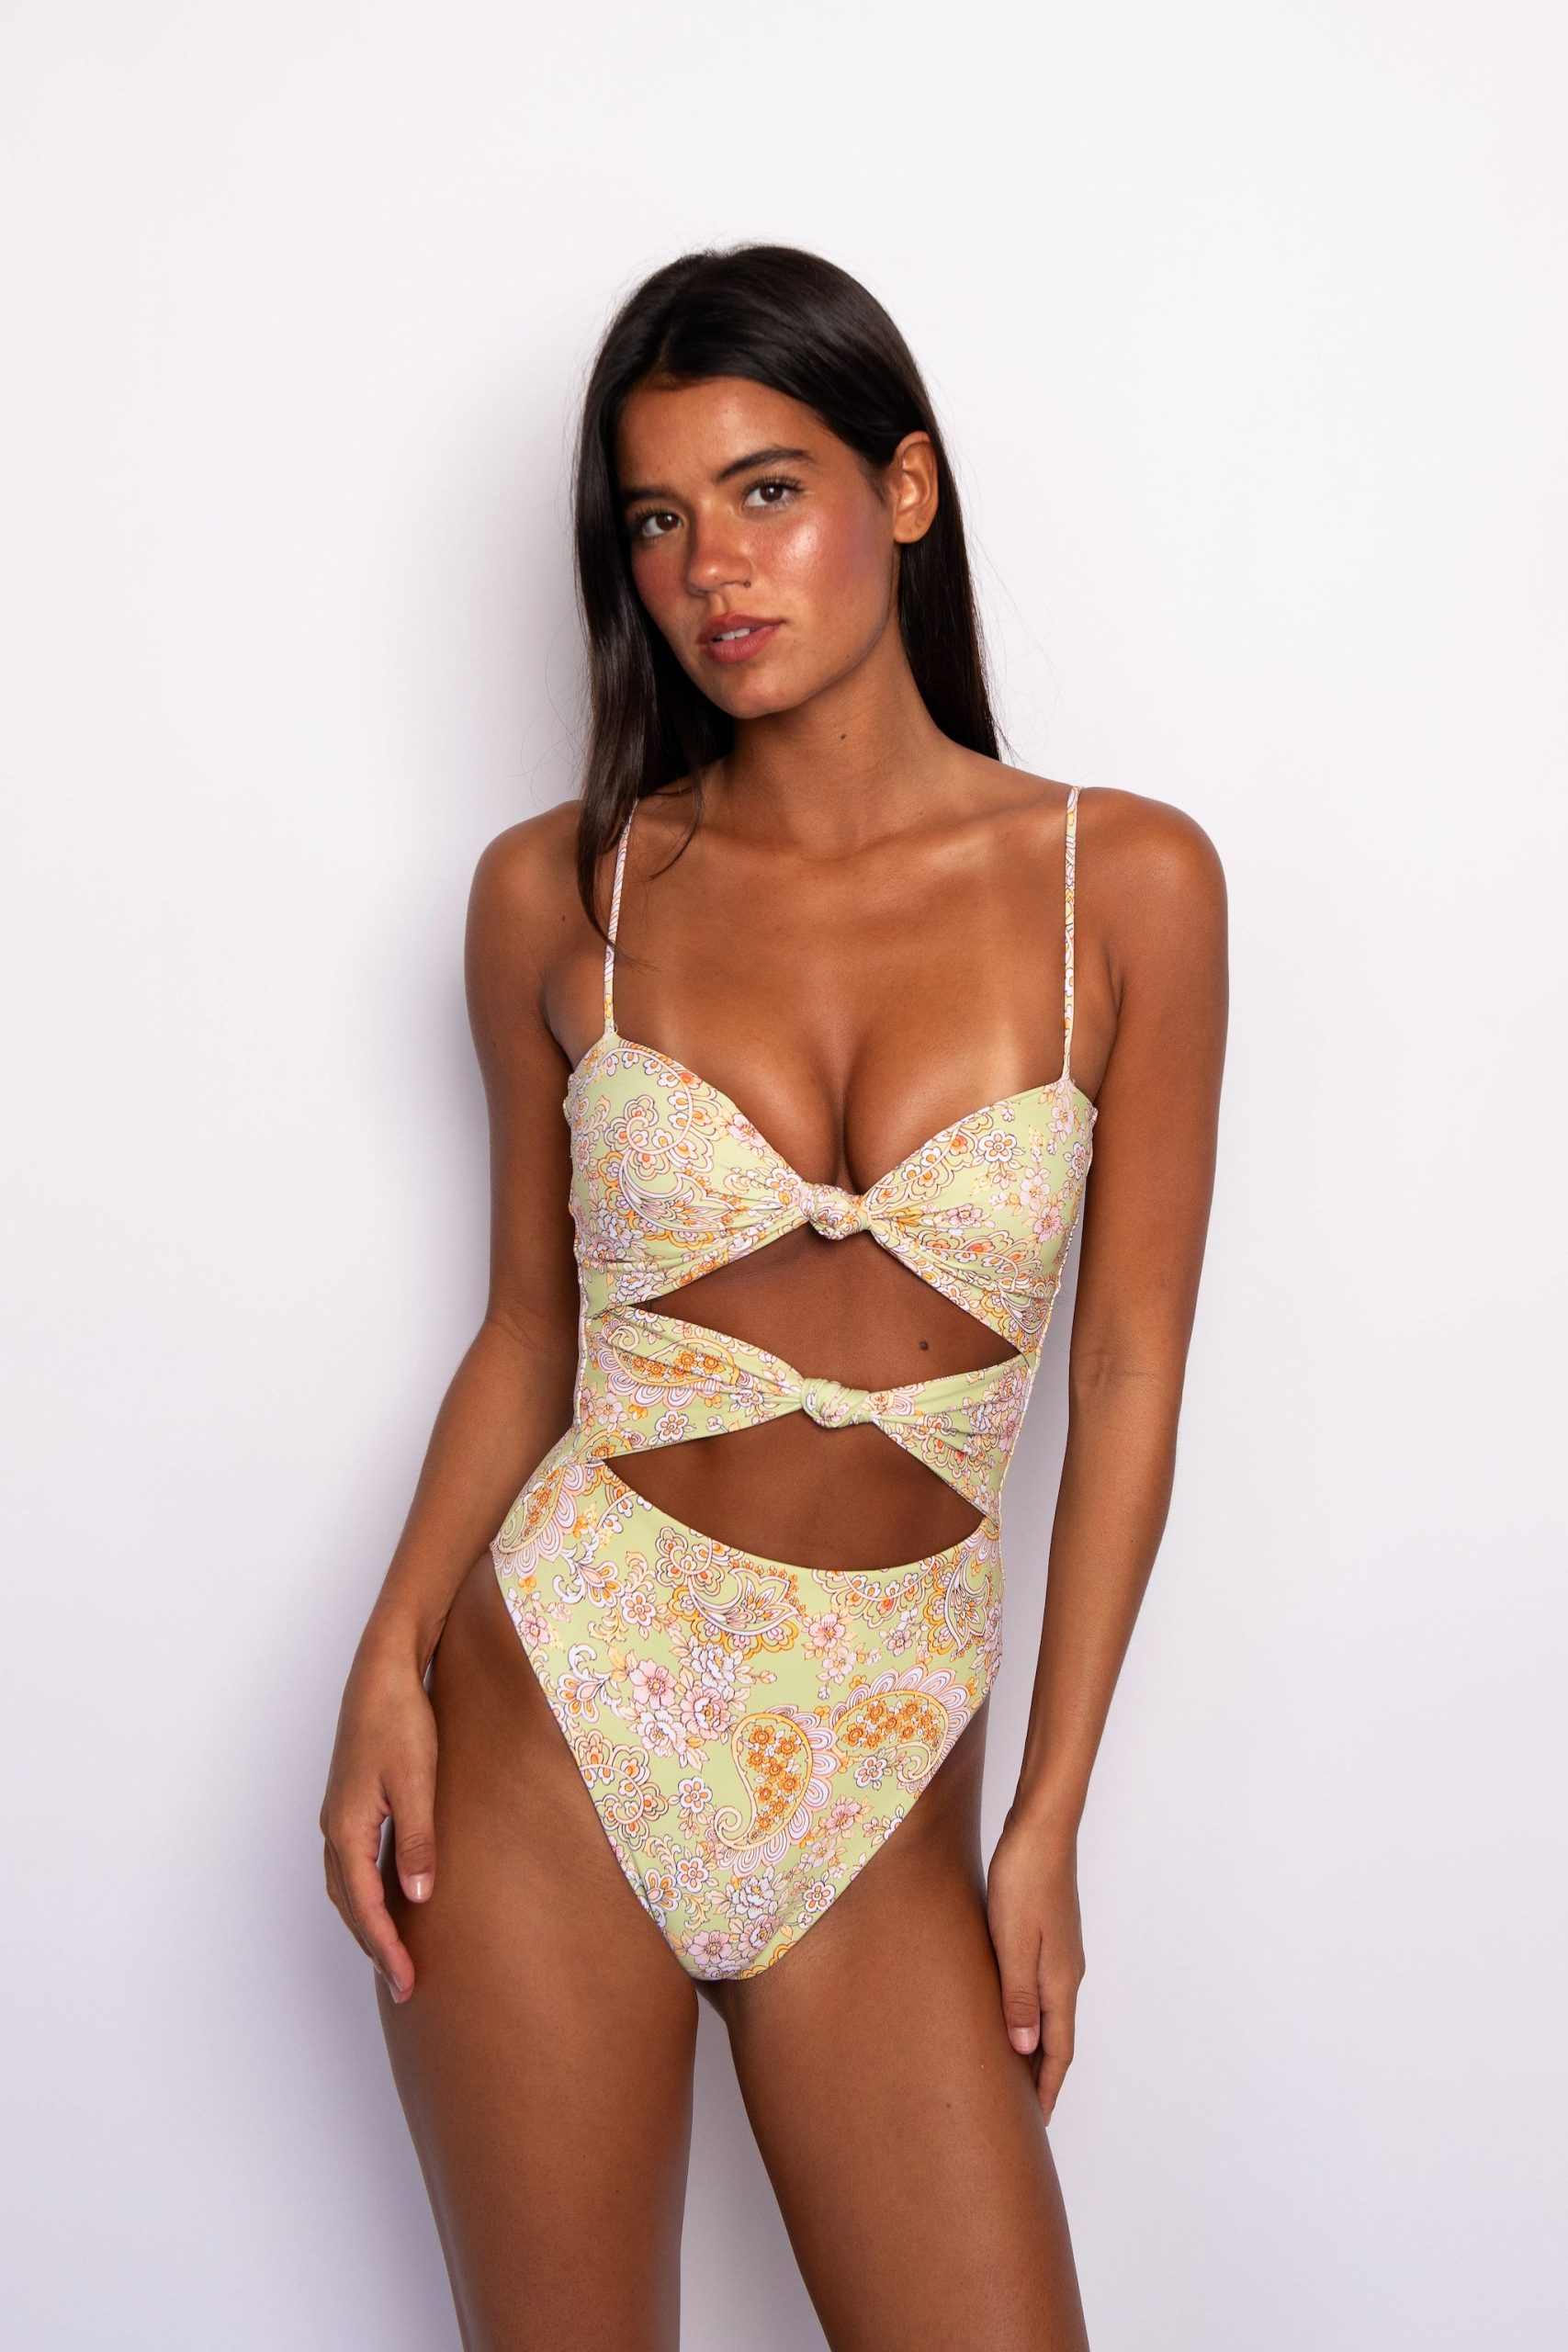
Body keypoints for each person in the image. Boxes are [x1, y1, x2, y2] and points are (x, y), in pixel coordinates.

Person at [321, 242, 1226, 2352]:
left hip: (880, 1750)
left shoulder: (1123, 885)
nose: (710, 566)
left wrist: (1046, 1813)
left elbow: (1126, 1368)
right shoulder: (560, 891)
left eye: (764, 490)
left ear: (902, 489)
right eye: (656, 518)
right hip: (554, 1705)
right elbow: (527, 1333)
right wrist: (384, 1659)